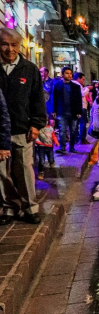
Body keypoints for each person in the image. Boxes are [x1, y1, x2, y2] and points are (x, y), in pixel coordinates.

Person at [0, 27, 47, 224]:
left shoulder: (29, 69)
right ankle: (9, 206)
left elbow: (38, 100)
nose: (9, 49)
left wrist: (36, 124)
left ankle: (30, 207)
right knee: (1, 173)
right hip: (0, 130)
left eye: (14, 45)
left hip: (23, 129)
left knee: (24, 169)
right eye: (4, 44)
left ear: (20, 47)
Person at [52, 66, 82, 154]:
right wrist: (54, 111)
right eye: (67, 73)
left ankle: (72, 147)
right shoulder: (58, 85)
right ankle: (62, 148)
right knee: (62, 131)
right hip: (62, 112)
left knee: (73, 131)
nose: (69, 75)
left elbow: (78, 100)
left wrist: (79, 111)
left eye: (70, 73)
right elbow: (54, 98)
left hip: (73, 112)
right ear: (62, 74)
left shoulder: (76, 86)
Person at [35, 114, 59, 178]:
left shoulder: (50, 129)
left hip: (49, 147)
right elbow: (36, 135)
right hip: (41, 147)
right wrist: (35, 142)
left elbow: (53, 136)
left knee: (51, 159)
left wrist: (56, 142)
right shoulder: (39, 128)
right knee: (41, 161)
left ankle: (52, 162)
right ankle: (40, 172)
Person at [74, 72, 90, 144]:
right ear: (78, 78)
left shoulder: (72, 84)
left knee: (76, 123)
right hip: (81, 106)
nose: (83, 81)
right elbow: (82, 94)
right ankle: (82, 139)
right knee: (83, 122)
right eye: (83, 79)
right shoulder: (77, 85)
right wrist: (87, 88)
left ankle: (77, 139)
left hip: (76, 107)